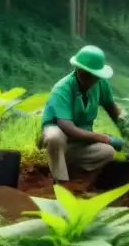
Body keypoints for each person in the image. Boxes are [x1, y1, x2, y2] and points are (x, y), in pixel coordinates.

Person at [40, 45, 124, 184]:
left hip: (79, 144)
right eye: (86, 73)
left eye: (94, 75)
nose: (90, 79)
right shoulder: (62, 89)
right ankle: (61, 182)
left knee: (108, 152)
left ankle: (76, 175)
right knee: (55, 136)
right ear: (78, 69)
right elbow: (66, 126)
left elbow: (114, 112)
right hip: (61, 137)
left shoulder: (101, 84)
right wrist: (101, 137)